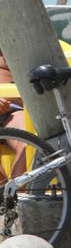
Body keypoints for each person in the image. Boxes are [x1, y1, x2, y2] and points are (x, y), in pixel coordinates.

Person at [0, 51, 24, 179]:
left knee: (28, 141)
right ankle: (3, 194)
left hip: (12, 108)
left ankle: (18, 196)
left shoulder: (16, 44)